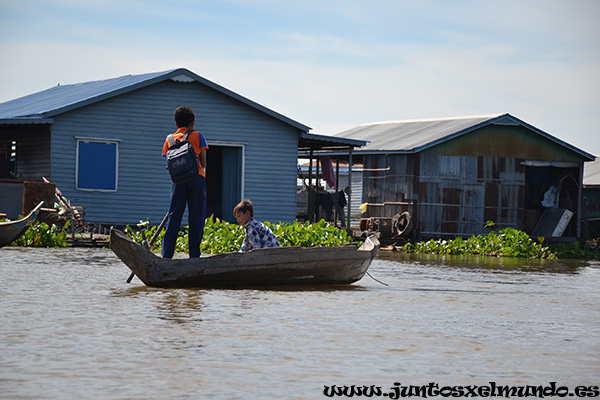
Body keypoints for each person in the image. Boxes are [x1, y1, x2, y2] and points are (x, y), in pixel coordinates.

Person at [161, 106, 208, 258]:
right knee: (196, 218)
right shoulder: (198, 136)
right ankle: (194, 257)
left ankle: (166, 256)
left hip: (178, 182)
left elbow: (168, 164)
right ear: (192, 123)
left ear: (176, 124)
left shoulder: (169, 139)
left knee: (174, 217)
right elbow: (204, 162)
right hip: (196, 179)